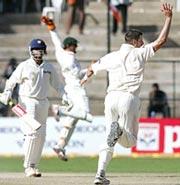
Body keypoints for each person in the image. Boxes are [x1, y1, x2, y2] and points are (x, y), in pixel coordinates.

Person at [81, 3, 173, 184]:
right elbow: (161, 41)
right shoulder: (139, 53)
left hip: (111, 98)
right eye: (141, 40)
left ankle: (100, 174)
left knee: (109, 140)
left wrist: (85, 78)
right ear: (134, 41)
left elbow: (92, 67)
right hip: (128, 98)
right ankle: (120, 131)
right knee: (129, 142)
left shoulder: (112, 56)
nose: (143, 43)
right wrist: (168, 18)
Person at [0, 39, 65, 177]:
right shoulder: (24, 66)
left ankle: (34, 165)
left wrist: (66, 96)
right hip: (27, 102)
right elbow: (11, 81)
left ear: (44, 51)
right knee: (32, 133)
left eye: (40, 50)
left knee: (41, 136)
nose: (38, 52)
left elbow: (58, 86)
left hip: (43, 102)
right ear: (31, 51)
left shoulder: (48, 67)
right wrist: (7, 93)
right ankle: (28, 166)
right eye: (35, 50)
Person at [41, 16, 93, 161]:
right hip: (75, 89)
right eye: (74, 45)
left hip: (72, 87)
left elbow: (56, 40)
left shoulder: (67, 55)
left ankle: (60, 146)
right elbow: (57, 41)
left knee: (72, 121)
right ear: (69, 45)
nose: (76, 47)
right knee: (85, 113)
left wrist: (89, 69)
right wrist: (51, 29)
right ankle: (59, 109)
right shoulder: (65, 56)